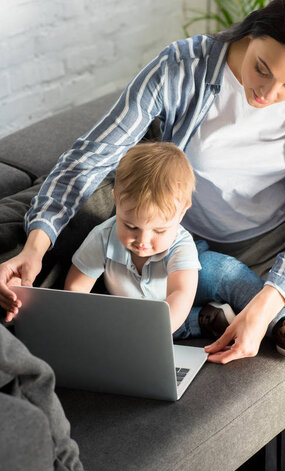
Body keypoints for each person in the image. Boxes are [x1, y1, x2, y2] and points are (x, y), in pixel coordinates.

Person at [1, 0, 285, 450]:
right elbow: (92, 157)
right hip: (223, 254)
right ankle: (249, 301)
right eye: (262, 69)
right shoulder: (182, 67)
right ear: (253, 31)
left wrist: (267, 306)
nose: (267, 95)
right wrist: (36, 244)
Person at [64, 141, 269, 339]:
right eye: (131, 226)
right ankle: (208, 318)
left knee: (222, 271)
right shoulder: (103, 237)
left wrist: (148, 336)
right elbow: (76, 290)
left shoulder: (181, 245)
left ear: (182, 212)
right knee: (153, 325)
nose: (142, 241)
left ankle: (278, 320)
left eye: (159, 230)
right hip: (138, 314)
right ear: (116, 199)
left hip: (179, 300)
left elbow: (180, 294)